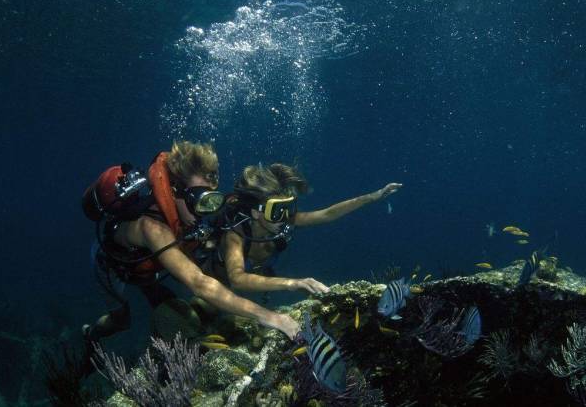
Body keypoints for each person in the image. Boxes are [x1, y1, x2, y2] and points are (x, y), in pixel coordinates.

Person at [81, 142, 300, 358]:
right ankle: (90, 334)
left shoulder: (185, 214)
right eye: (200, 201)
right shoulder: (152, 228)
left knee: (165, 301)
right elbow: (199, 284)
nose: (205, 212)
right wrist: (271, 317)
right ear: (175, 192)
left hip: (151, 267)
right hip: (114, 267)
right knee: (121, 321)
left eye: (211, 199)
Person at [202, 163, 402, 296]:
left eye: (286, 207)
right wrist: (293, 283)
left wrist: (374, 196)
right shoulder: (235, 235)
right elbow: (237, 279)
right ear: (256, 212)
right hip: (216, 282)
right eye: (276, 211)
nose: (284, 217)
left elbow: (328, 214)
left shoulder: (285, 220)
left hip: (261, 277)